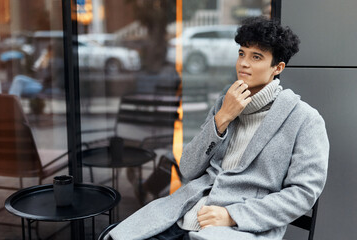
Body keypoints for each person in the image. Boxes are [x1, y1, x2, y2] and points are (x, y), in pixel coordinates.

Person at [106, 16, 329, 240]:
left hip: (236, 228)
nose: (243, 63)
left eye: (256, 57)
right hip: (182, 214)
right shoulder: (225, 103)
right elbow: (188, 169)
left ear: (277, 67)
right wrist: (222, 118)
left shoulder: (305, 120)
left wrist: (232, 215)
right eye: (242, 53)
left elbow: (302, 193)